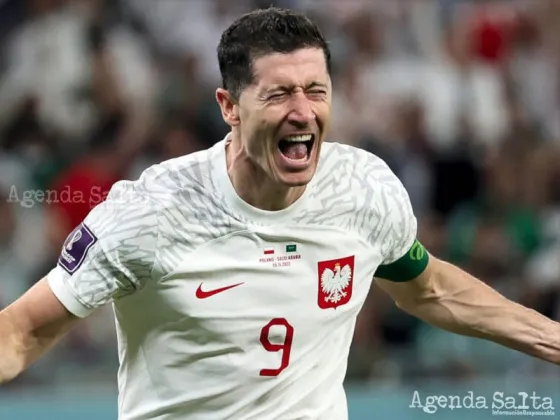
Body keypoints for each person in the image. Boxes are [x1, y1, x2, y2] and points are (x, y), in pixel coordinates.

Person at [0, 7, 558, 420]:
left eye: (316, 90)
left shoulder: (362, 190)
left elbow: (429, 288)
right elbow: (21, 333)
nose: (302, 112)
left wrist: (551, 339)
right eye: (278, 94)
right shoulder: (150, 214)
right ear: (229, 107)